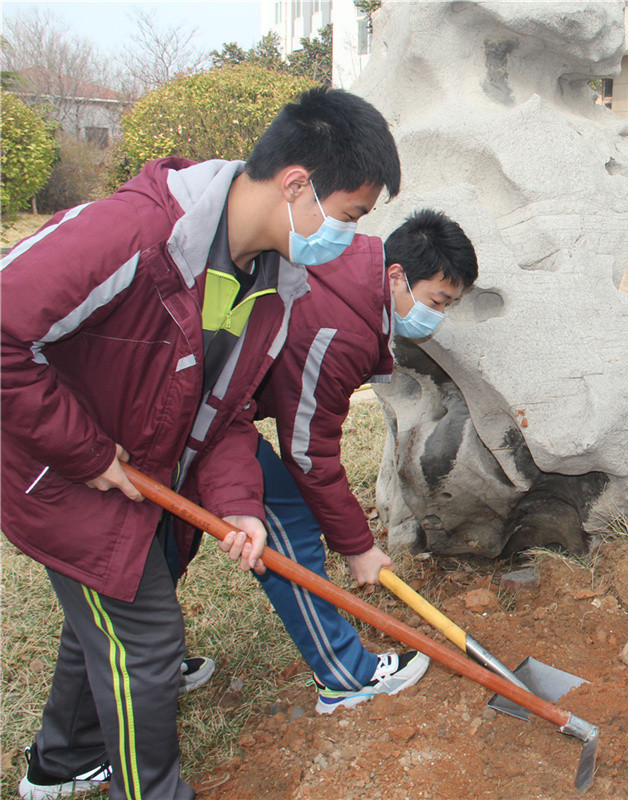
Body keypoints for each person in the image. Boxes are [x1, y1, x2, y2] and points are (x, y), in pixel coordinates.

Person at [2, 87, 400, 800]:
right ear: (297, 184)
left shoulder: (275, 284)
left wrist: (240, 503)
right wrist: (87, 453)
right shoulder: (134, 233)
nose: (346, 238)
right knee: (146, 647)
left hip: (147, 470)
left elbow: (226, 412)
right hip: (57, 473)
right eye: (348, 216)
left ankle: (58, 765)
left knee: (111, 609)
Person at [253, 209, 478, 713]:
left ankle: (74, 743)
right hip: (196, 415)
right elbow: (309, 452)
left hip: (192, 404)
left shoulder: (352, 268)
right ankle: (344, 677)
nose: (437, 315)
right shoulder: (344, 332)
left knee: (141, 560)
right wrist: (357, 546)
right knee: (289, 521)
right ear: (397, 275)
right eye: (437, 300)